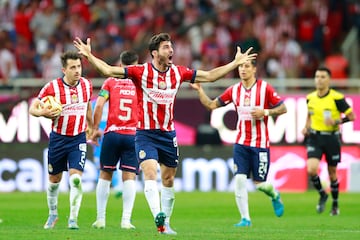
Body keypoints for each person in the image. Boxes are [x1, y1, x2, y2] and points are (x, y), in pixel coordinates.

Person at [73, 32, 257, 234]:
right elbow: (108, 70)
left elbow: (211, 76)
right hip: (145, 133)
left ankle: (165, 224)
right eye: (166, 47)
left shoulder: (178, 73)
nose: (171, 50)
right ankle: (158, 217)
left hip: (168, 135)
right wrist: (89, 56)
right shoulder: (140, 72)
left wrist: (235, 62)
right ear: (154, 53)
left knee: (168, 179)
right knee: (150, 172)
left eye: (171, 47)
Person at [191, 58, 286, 227]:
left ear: (254, 69)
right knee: (240, 179)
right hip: (241, 143)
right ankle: (245, 219)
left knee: (260, 184)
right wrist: (200, 90)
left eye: (247, 66)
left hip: (260, 144)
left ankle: (275, 195)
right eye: (241, 66)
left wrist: (265, 111)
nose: (243, 70)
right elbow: (212, 105)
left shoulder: (265, 89)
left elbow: (282, 108)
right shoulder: (234, 90)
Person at [29, 51, 93, 230]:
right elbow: (32, 109)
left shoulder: (86, 85)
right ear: (64, 70)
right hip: (58, 139)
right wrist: (43, 113)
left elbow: (88, 108)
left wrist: (92, 128)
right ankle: (53, 214)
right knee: (53, 180)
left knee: (76, 180)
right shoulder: (52, 88)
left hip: (78, 139)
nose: (77, 70)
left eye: (79, 66)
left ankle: (73, 218)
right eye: (73, 67)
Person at [91, 50, 139, 230]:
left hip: (112, 134)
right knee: (129, 177)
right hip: (133, 134)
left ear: (120, 65)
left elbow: (99, 106)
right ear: (137, 64)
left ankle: (100, 219)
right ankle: (126, 221)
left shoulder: (110, 82)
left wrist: (95, 129)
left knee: (105, 174)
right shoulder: (141, 81)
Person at [301, 66, 355, 216]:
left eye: (323, 77)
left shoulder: (337, 98)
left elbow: (352, 116)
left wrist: (337, 121)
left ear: (329, 80)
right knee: (311, 169)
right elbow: (309, 115)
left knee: (332, 173)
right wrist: (306, 127)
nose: (319, 79)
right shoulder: (310, 97)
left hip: (331, 138)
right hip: (315, 137)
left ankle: (335, 205)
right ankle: (323, 194)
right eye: (317, 76)